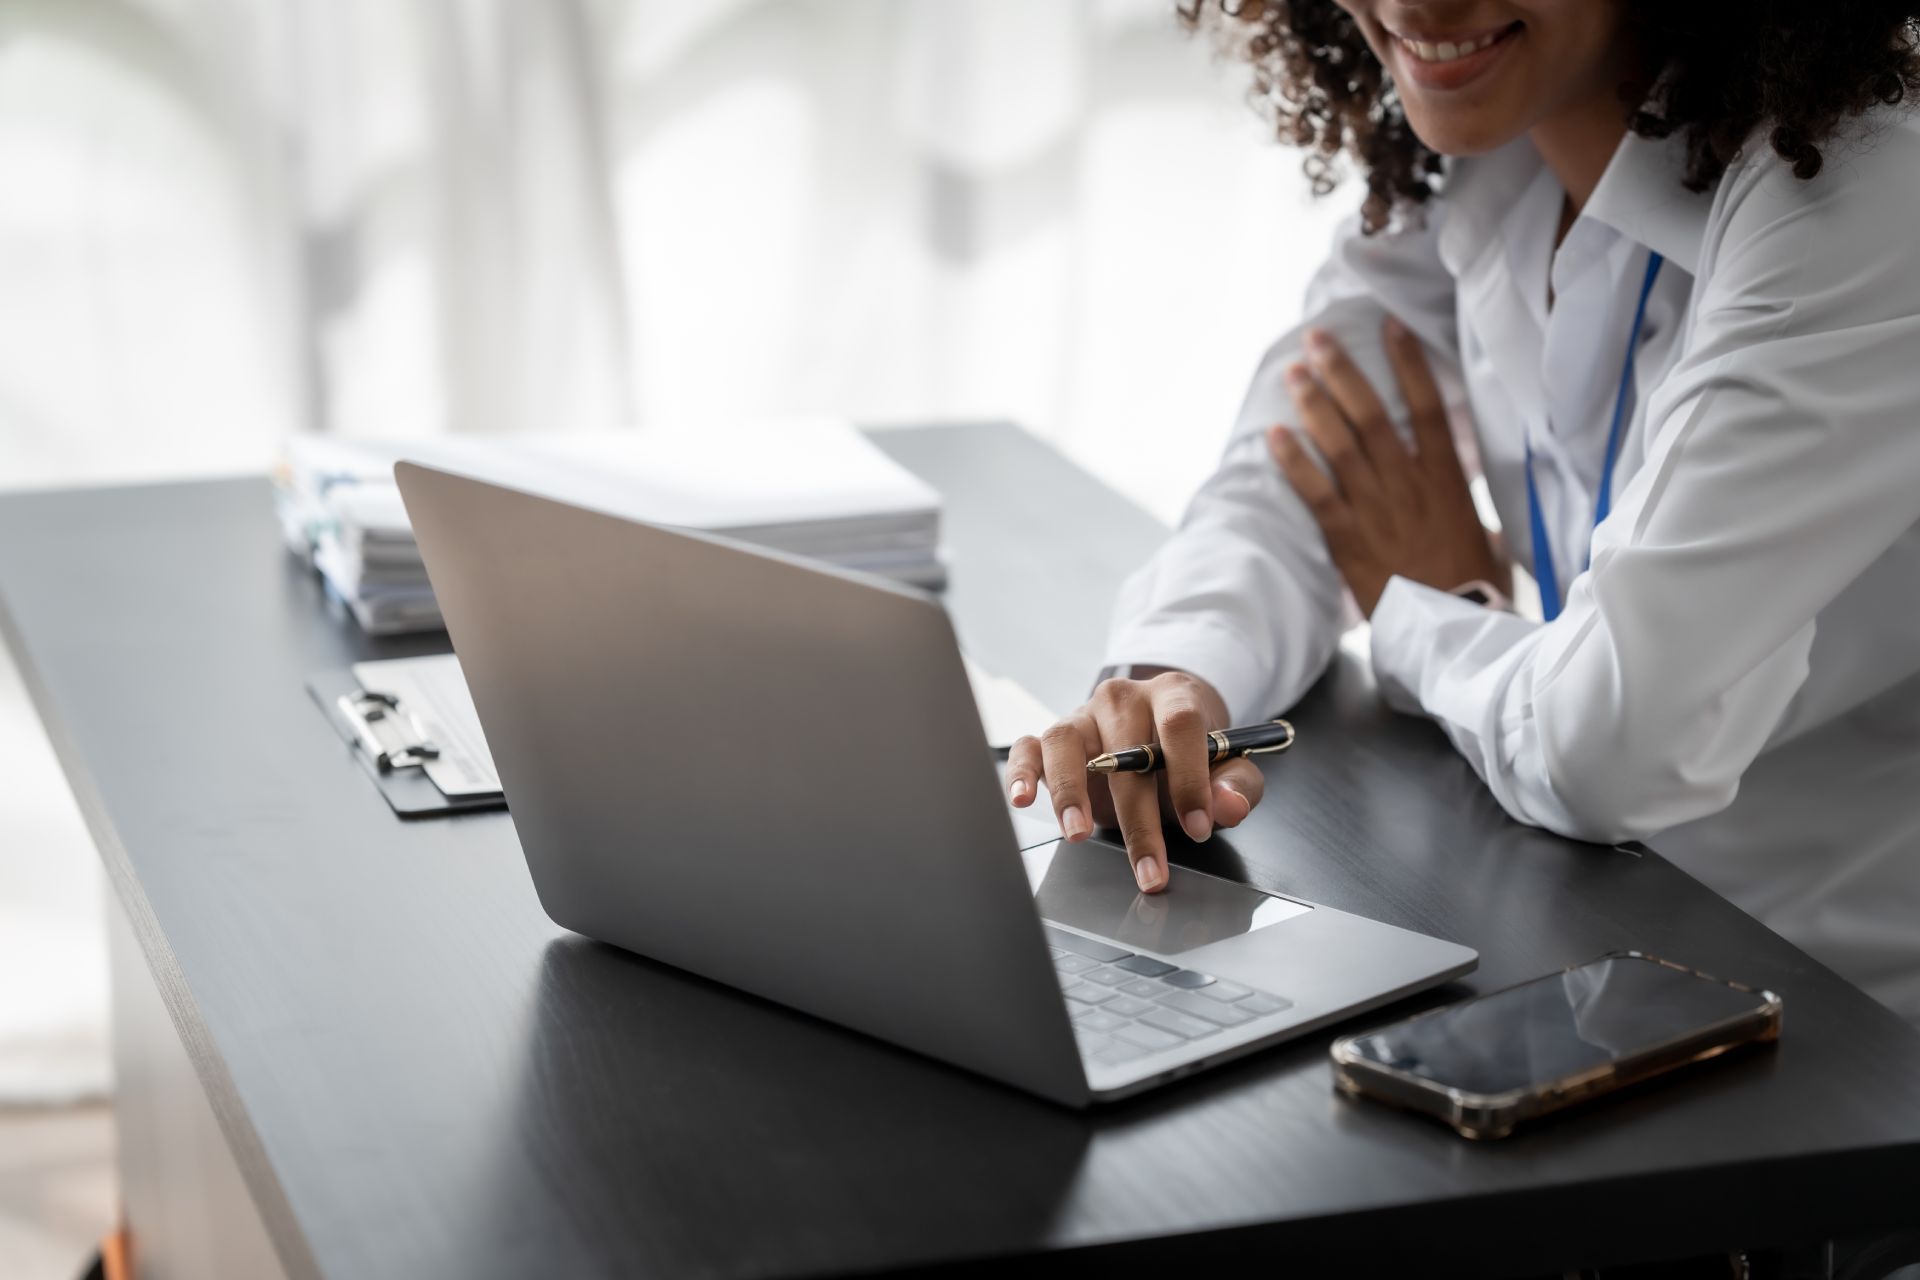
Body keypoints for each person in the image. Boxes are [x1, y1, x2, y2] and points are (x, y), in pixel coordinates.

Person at [1006, 0, 1920, 1022]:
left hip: (1841, 1027)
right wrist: (1176, 681)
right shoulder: (1501, 130)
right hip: (1599, 942)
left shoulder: (1863, 184)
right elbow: (1298, 463)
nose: (1420, 7)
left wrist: (1438, 603)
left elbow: (1608, 745)